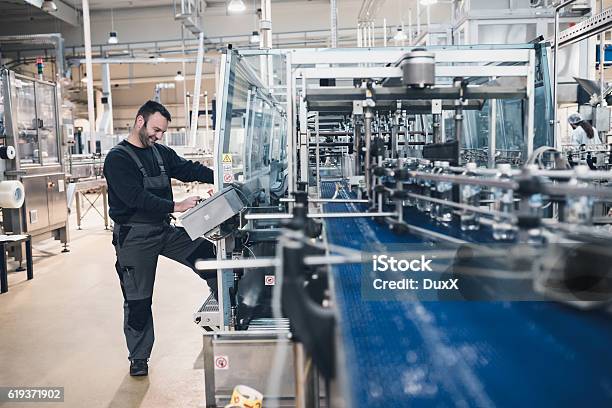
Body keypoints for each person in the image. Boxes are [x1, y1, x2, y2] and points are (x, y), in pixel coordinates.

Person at [104, 100, 216, 377]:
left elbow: (188, 169)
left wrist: (225, 177)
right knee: (138, 300)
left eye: (163, 131)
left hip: (163, 230)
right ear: (140, 121)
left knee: (209, 257)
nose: (159, 136)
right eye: (156, 129)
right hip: (135, 236)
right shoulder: (118, 158)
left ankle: (230, 309)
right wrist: (176, 205)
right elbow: (135, 197)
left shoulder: (159, 153)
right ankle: (139, 358)